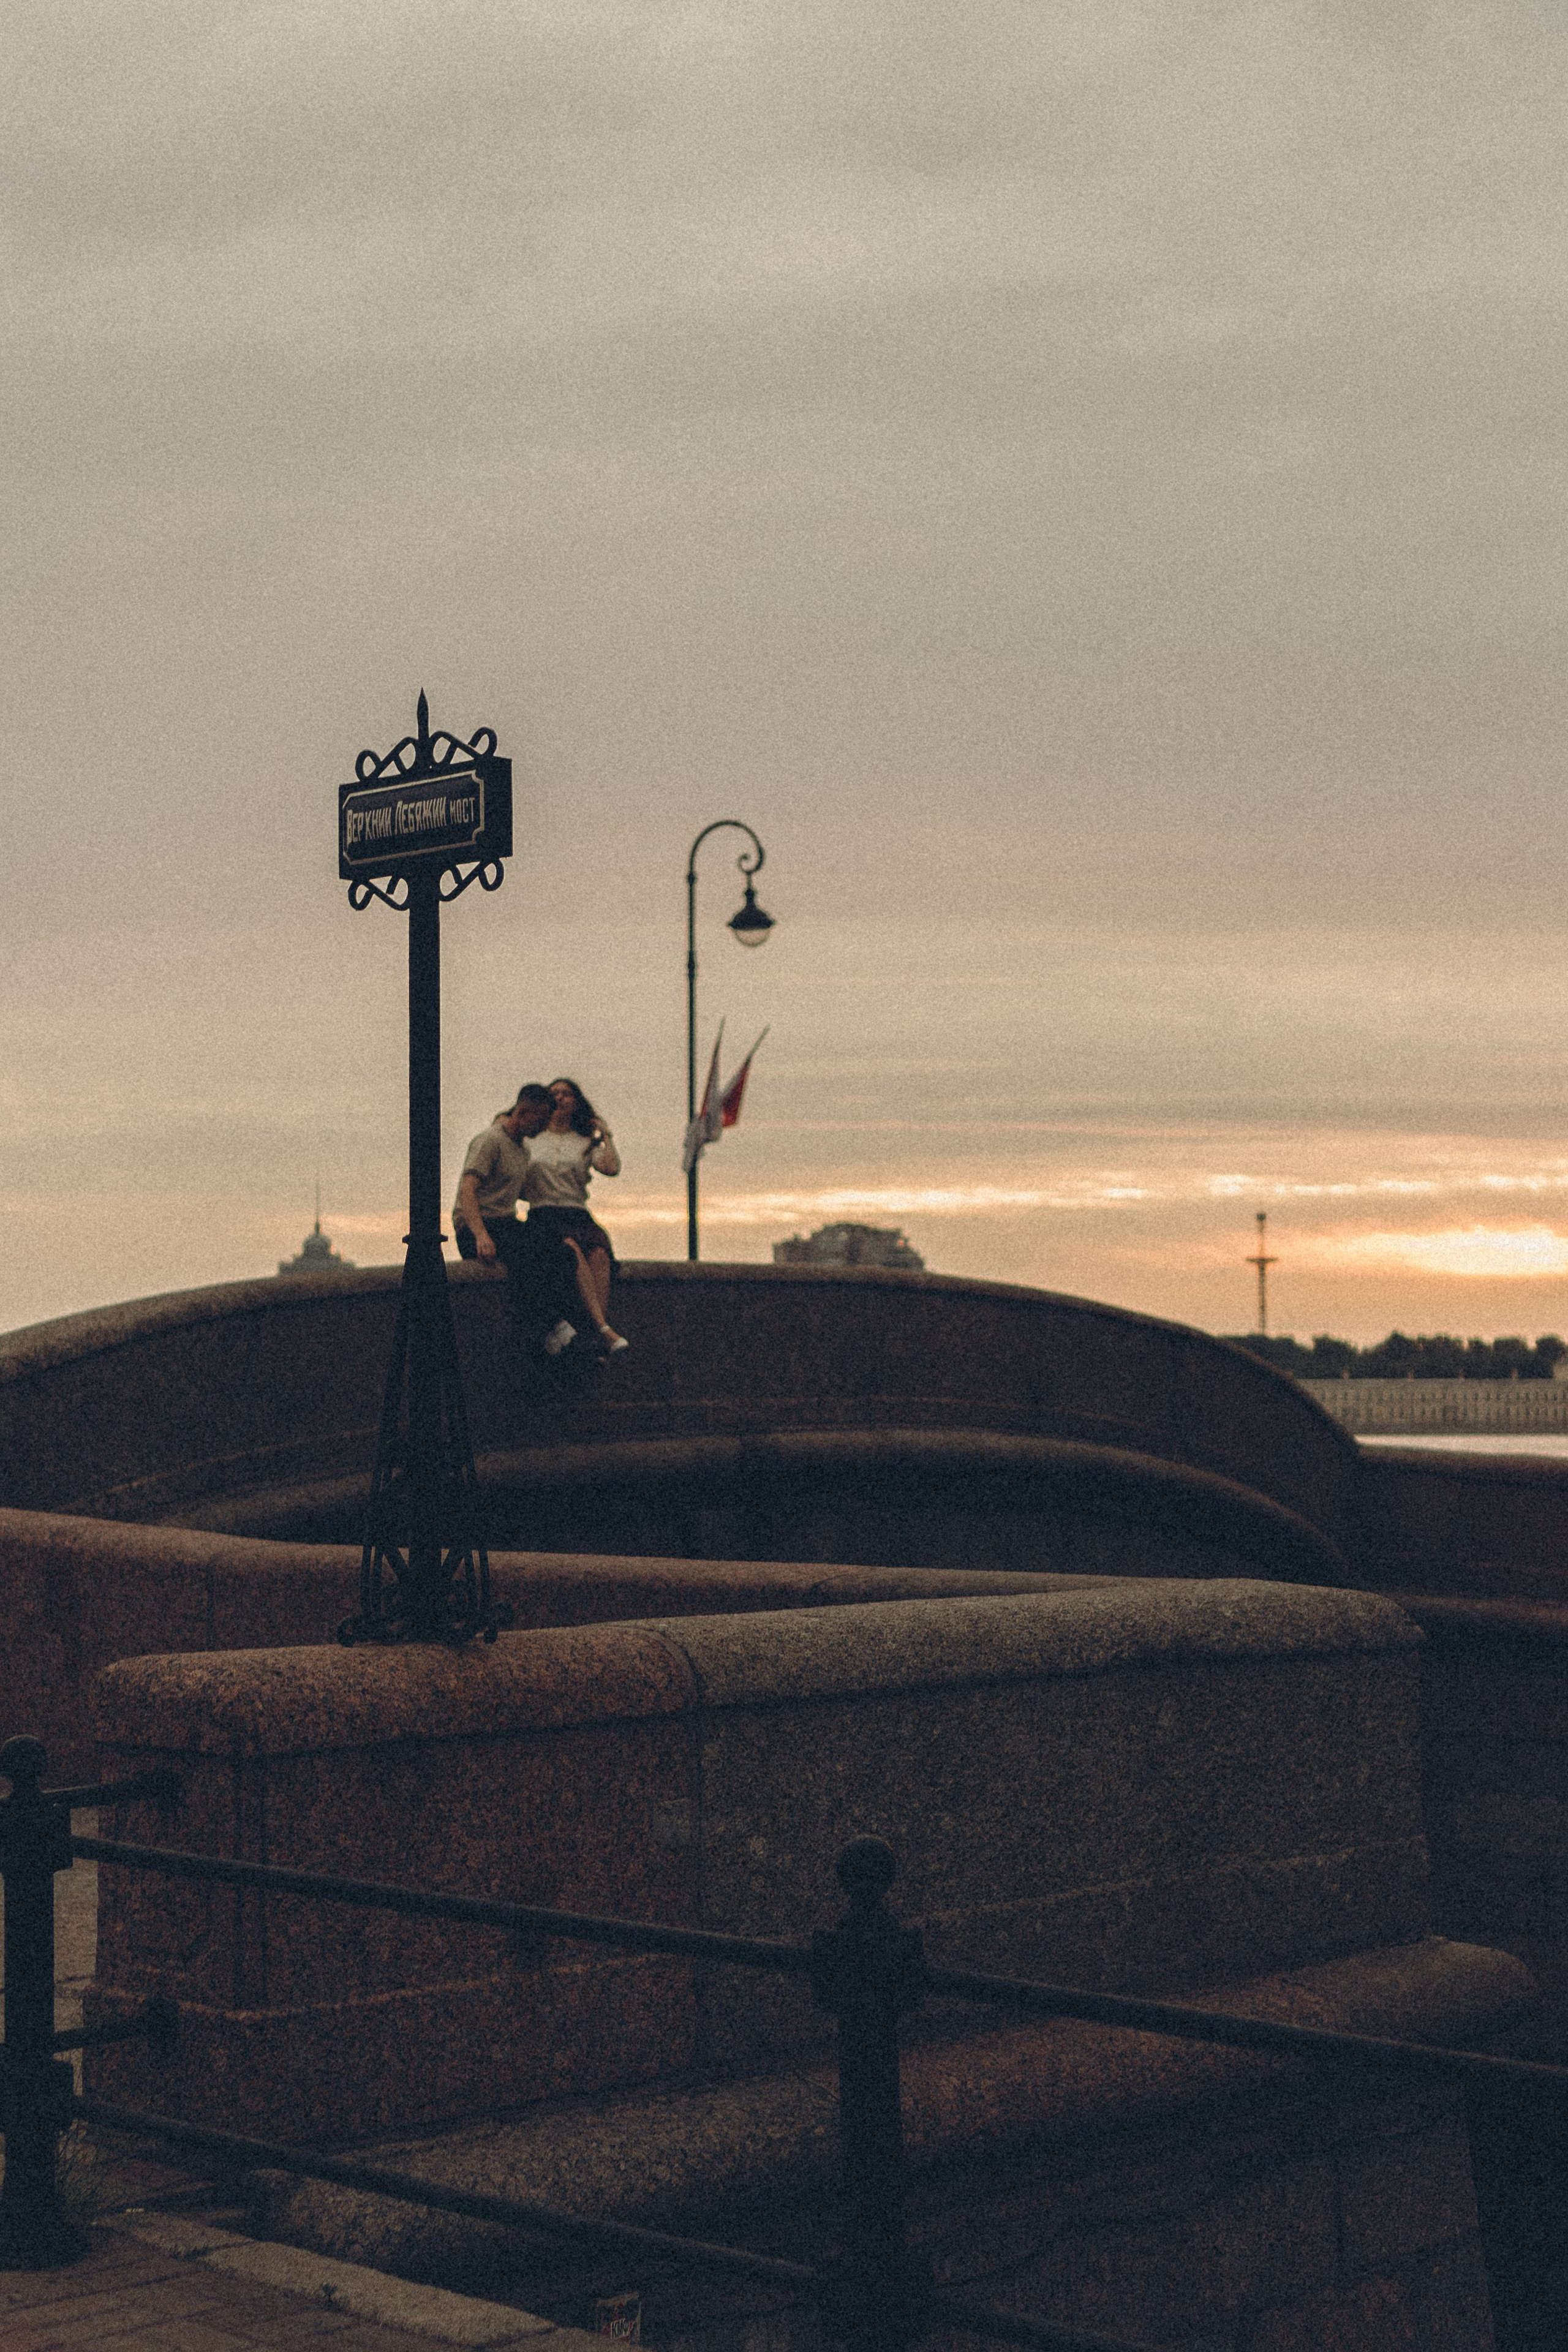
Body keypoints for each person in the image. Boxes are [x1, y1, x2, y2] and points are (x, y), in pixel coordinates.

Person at [452, 1085, 578, 1355]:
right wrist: (481, 1236)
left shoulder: (522, 1151)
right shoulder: (490, 1141)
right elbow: (467, 1190)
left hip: (505, 1222)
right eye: (540, 1120)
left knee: (564, 1253)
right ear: (522, 1112)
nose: (543, 1127)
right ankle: (548, 1328)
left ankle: (553, 1325)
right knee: (529, 1259)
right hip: (478, 1225)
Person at [522, 1077, 628, 1354]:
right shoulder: (532, 1141)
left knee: (600, 1257)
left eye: (566, 1094)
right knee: (570, 1251)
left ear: (576, 1102)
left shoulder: (584, 1143)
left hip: (577, 1213)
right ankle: (603, 1331)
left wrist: (606, 1136)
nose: (559, 1098)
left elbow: (611, 1167)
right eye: (554, 1093)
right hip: (544, 1214)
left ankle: (595, 1336)